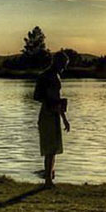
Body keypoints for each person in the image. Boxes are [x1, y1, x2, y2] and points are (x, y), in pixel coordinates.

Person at [33, 50, 71, 188]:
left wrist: (64, 118)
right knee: (50, 148)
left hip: (52, 112)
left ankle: (50, 176)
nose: (65, 68)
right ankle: (48, 179)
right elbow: (41, 97)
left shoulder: (51, 76)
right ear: (59, 63)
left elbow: (51, 99)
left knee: (53, 148)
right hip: (48, 113)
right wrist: (55, 107)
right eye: (64, 64)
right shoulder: (49, 76)